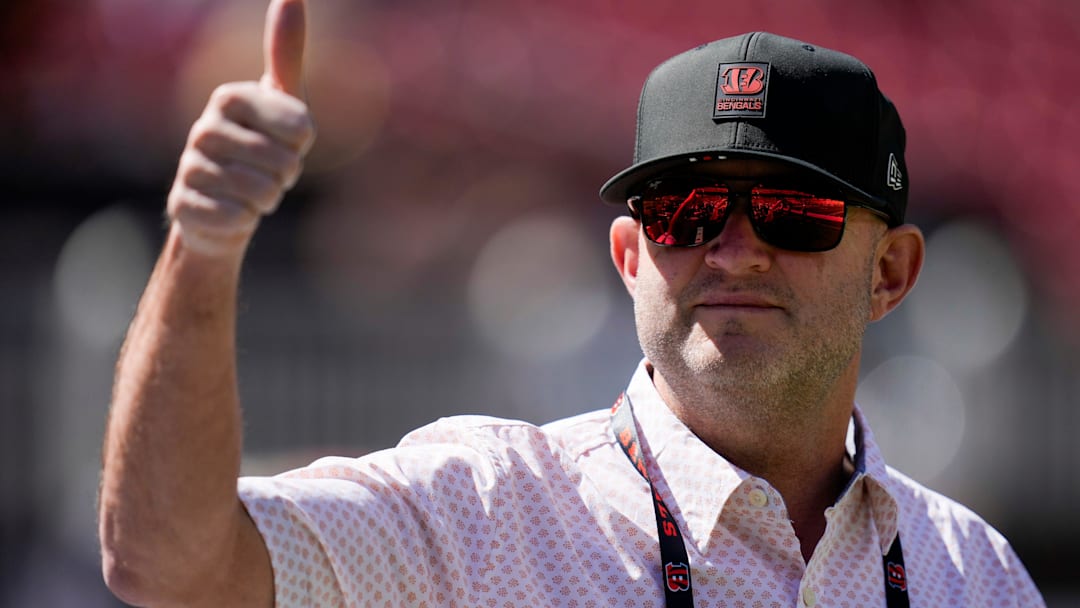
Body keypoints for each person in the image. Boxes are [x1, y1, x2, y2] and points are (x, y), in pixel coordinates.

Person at [97, 1, 1046, 606]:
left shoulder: (976, 575)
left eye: (795, 212)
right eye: (686, 210)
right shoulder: (478, 514)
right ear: (631, 256)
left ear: (892, 274)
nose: (735, 245)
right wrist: (203, 248)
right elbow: (169, 569)